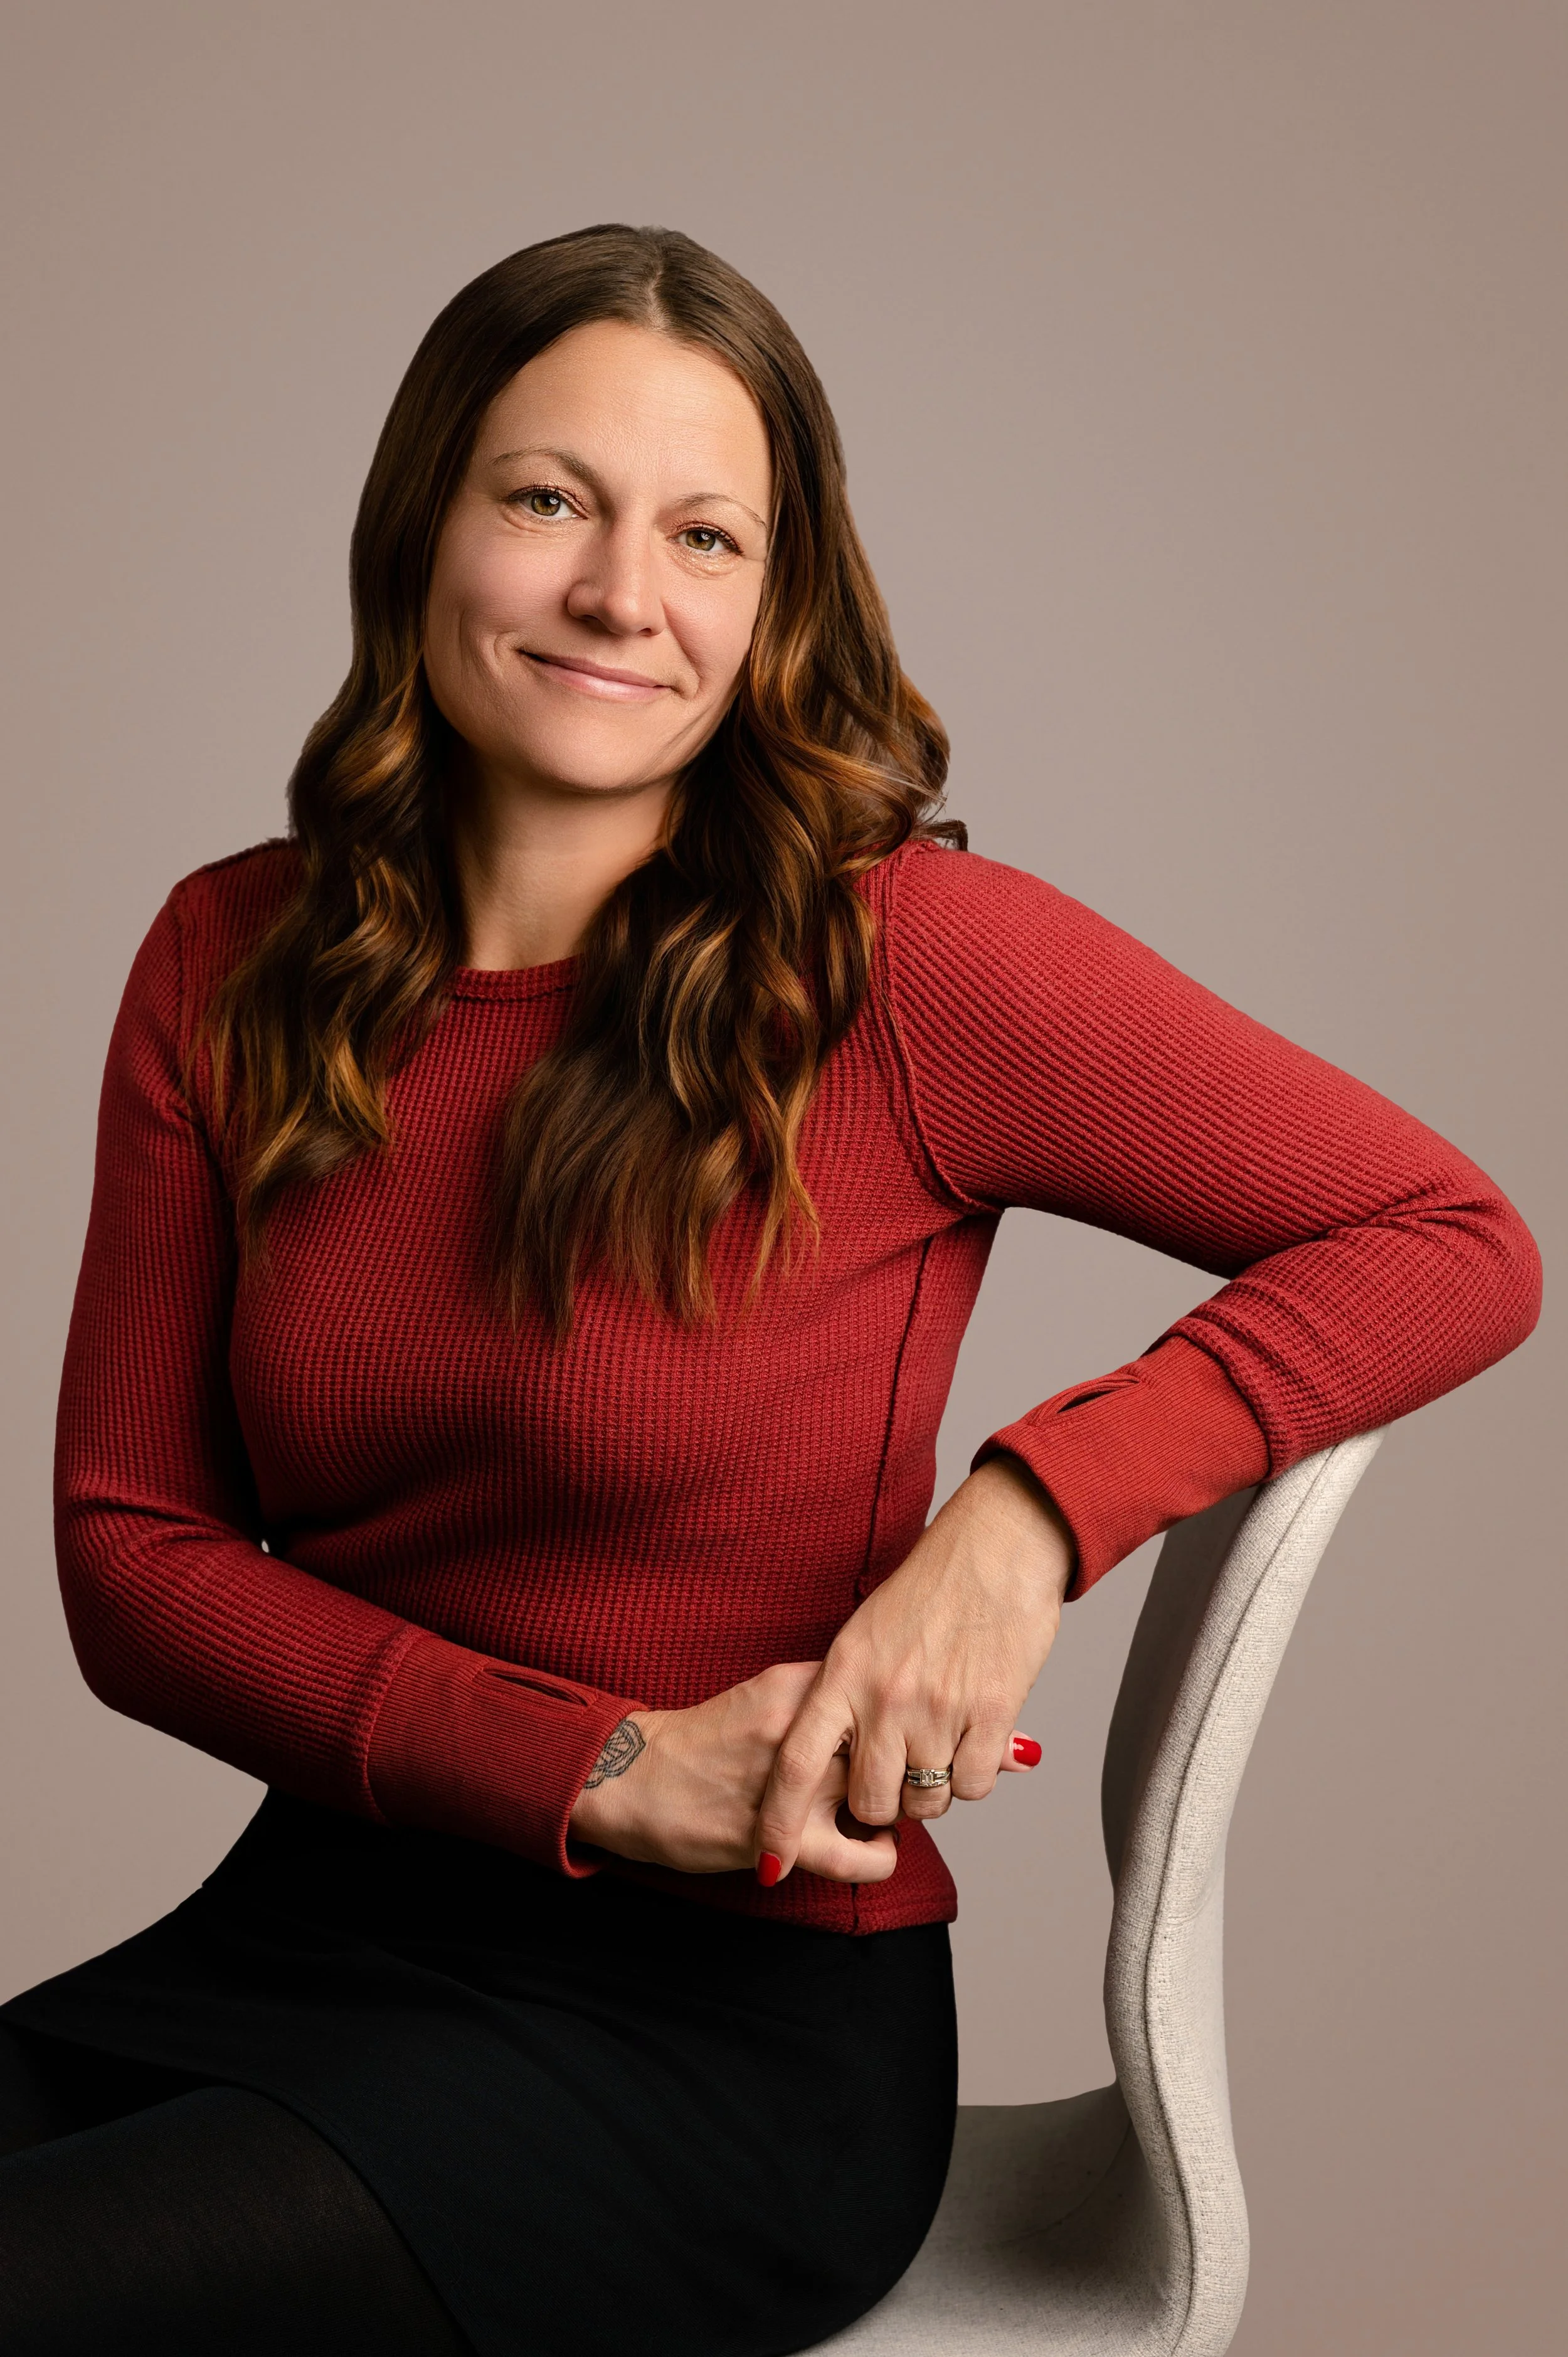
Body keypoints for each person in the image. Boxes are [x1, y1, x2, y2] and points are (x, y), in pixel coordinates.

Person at [0, 223, 1540, 2357]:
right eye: (547, 499)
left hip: (718, 2032)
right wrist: (597, 1764)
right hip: (307, 1940)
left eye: (707, 534)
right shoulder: (227, 960)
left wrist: (1025, 1513)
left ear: (772, 598)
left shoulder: (903, 962)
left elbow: (1446, 1240)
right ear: (421, 521)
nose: (625, 592)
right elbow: (132, 1553)